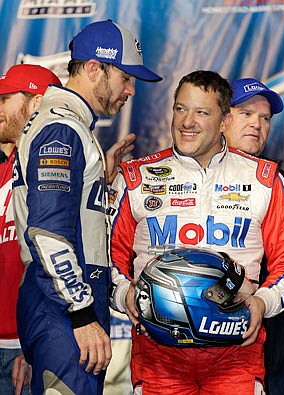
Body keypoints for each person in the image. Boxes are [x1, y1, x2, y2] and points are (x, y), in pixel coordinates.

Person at [109, 70, 284, 395]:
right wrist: (124, 294)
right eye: (180, 109)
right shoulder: (135, 178)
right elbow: (105, 258)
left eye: (201, 112)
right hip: (159, 355)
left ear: (224, 120)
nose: (187, 121)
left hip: (237, 354)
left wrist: (263, 303)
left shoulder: (264, 179)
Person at [12, 20, 162, 395]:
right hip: (64, 310)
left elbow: (69, 217)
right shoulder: (61, 129)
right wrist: (80, 313)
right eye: (125, 78)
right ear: (94, 68)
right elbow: (47, 232)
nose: (130, 90)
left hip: (63, 304)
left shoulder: (71, 126)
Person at [224, 77, 284, 395]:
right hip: (197, 357)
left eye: (264, 118)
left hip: (272, 358)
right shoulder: (185, 180)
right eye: (246, 113)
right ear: (221, 118)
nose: (257, 124)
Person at [0, 64, 62, 395]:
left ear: (36, 103)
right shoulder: (7, 168)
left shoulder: (58, 167)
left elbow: (50, 261)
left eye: (6, 98)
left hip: (23, 348)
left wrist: (32, 340)